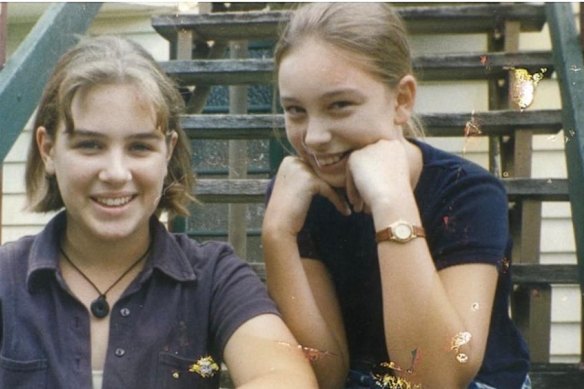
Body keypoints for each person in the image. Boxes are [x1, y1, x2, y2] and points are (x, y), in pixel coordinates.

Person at [0, 35, 317, 389]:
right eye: (90, 145)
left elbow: (286, 378)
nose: (116, 173)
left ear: (167, 152)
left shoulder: (214, 278)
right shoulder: (5, 278)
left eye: (139, 146)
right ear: (47, 150)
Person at [262, 3, 530, 389]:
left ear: (402, 100)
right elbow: (323, 373)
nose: (315, 136)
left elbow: (438, 377)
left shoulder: (467, 192)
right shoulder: (296, 197)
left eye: (339, 105)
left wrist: (391, 201)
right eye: (295, 110)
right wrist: (277, 234)